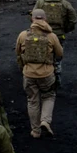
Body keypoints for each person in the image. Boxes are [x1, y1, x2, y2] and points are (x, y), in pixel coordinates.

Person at [15, 8, 63, 138]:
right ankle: (45, 120)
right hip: (46, 74)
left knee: (32, 101)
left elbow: (18, 53)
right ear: (45, 19)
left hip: (29, 74)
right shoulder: (51, 36)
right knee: (49, 96)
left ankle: (35, 131)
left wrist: (23, 68)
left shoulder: (23, 35)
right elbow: (60, 54)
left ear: (32, 19)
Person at [33, 0, 77, 87]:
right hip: (59, 35)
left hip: (42, 35)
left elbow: (32, 16)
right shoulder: (65, 4)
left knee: (43, 56)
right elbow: (73, 19)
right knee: (57, 58)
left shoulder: (40, 3)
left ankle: (43, 79)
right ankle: (56, 79)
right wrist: (66, 29)